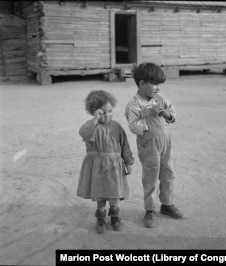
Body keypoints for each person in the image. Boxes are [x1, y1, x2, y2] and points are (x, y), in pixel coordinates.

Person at [125, 62, 183, 228]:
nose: (158, 88)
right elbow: (133, 126)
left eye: (159, 84)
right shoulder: (134, 104)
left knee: (168, 172)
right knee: (151, 176)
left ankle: (167, 204)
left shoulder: (160, 98)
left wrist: (167, 114)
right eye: (155, 84)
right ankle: (150, 209)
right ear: (142, 83)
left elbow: (172, 112)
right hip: (148, 144)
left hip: (166, 142)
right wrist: (148, 117)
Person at [77, 90, 134, 234]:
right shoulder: (91, 127)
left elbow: (124, 145)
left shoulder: (117, 126)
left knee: (114, 195)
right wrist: (94, 121)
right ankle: (100, 219)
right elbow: (83, 133)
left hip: (114, 167)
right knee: (101, 194)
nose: (107, 115)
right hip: (97, 168)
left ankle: (115, 216)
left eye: (109, 111)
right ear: (94, 112)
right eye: (102, 113)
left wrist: (128, 162)